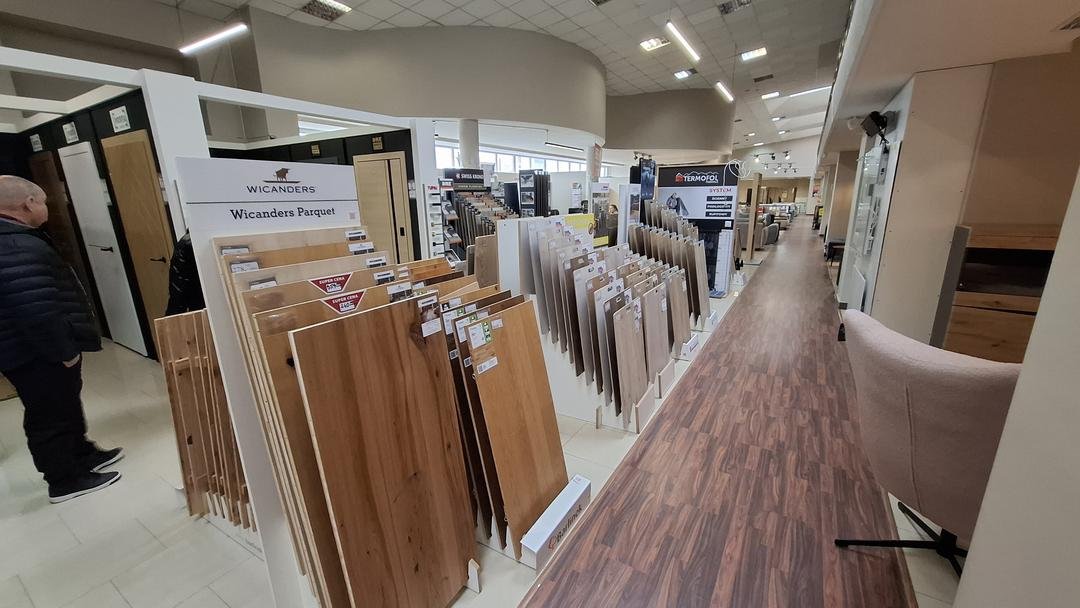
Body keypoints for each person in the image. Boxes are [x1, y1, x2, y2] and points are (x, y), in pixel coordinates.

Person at [0, 175, 122, 503]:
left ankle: (81, 455)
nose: (47, 208)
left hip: (34, 347)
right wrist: (63, 351)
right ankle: (64, 480)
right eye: (44, 202)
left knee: (65, 404)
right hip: (36, 352)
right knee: (49, 415)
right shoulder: (16, 246)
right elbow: (34, 308)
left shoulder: (18, 238)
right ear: (28, 203)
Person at [165, 231, 204, 315]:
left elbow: (178, 293)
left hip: (202, 310)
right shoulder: (188, 243)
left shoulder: (186, 243)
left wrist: (171, 320)